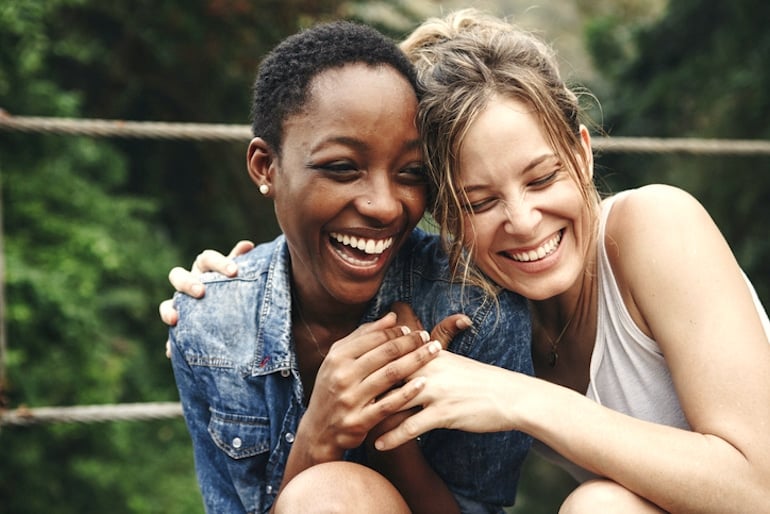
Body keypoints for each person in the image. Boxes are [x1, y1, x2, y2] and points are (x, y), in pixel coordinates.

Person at [167, 10, 770, 513]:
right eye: (479, 201)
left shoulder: (655, 226)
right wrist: (234, 293)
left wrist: (522, 398)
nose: (525, 221)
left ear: (582, 153)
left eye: (543, 178)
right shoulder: (482, 304)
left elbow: (758, 486)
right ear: (444, 217)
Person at [164, 19, 532, 514]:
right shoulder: (210, 327)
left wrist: (392, 428)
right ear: (265, 167)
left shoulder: (474, 308)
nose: (384, 205)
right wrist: (320, 435)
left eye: (411, 173)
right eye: (341, 168)